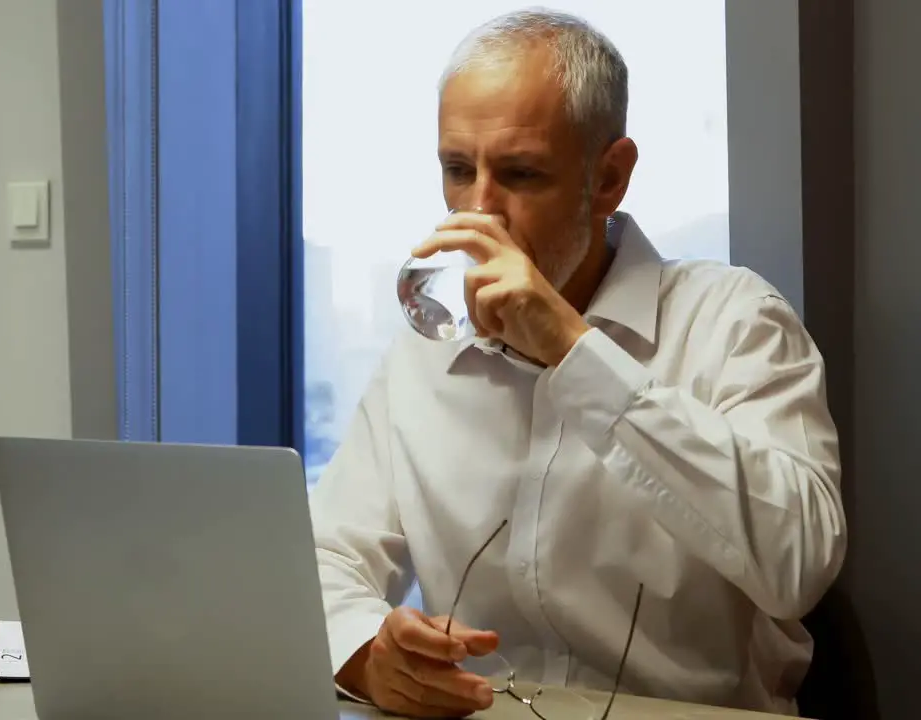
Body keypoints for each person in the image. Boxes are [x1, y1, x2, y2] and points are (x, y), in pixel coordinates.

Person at [308, 7, 847, 719]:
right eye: (457, 170)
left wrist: (575, 352)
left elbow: (799, 561)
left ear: (611, 178)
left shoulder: (733, 321)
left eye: (521, 174)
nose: (480, 213)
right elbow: (321, 560)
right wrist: (369, 654)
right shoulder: (426, 353)